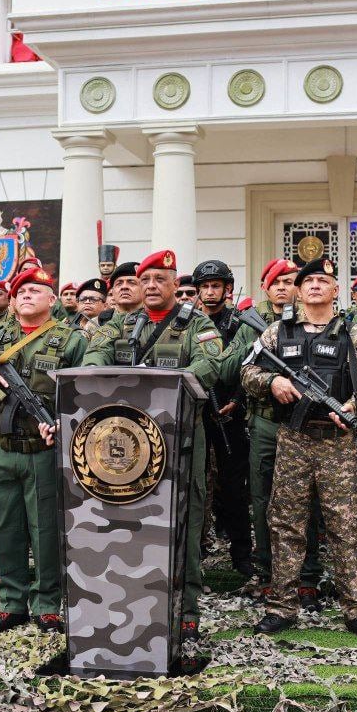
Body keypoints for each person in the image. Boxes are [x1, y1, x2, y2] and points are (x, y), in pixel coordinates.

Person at [82, 249, 224, 640]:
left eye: (160, 279)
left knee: (185, 523)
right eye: (145, 280)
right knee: (132, 523)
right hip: (129, 447)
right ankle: (133, 603)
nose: (151, 286)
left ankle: (187, 610)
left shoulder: (196, 323)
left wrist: (161, 389)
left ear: (175, 284)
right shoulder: (121, 325)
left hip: (180, 441)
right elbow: (94, 358)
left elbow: (209, 365)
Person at [245, 259, 357, 638]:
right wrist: (273, 381)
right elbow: (247, 371)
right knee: (286, 524)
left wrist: (356, 405)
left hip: (338, 443)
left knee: (346, 526)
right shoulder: (277, 332)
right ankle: (282, 606)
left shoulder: (354, 334)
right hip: (293, 439)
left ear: (335, 289)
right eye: (308, 281)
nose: (314, 286)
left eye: (323, 280)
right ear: (298, 290)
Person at [0, 267, 87, 633]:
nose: (26, 295)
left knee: (44, 529)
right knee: (5, 527)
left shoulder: (70, 339)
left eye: (36, 290)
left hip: (43, 448)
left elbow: (81, 392)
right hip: (1, 446)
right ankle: (11, 601)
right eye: (21, 290)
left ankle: (46, 603)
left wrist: (60, 421)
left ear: (52, 300)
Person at [234, 259, 323, 606]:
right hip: (267, 422)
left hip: (307, 424)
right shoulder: (253, 325)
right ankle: (269, 573)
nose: (285, 287)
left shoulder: (315, 321)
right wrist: (262, 357)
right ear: (267, 288)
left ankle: (308, 577)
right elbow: (235, 369)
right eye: (278, 281)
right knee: (264, 499)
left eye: (291, 281)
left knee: (308, 501)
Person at [193, 259, 252, 576]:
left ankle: (241, 553)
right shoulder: (190, 323)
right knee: (196, 484)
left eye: (216, 286)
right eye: (205, 287)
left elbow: (250, 366)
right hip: (197, 410)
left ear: (228, 289)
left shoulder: (240, 324)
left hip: (231, 412)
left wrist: (237, 400)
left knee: (234, 488)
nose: (210, 292)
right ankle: (197, 550)